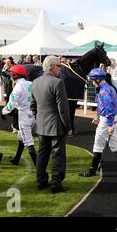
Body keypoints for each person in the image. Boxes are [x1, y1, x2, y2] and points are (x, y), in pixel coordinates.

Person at [79, 68, 117, 178]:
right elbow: (105, 106)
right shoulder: (108, 88)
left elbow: (109, 108)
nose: (92, 82)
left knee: (98, 146)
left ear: (98, 80)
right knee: (114, 146)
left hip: (107, 121)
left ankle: (92, 171)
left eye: (92, 80)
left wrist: (109, 124)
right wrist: (99, 118)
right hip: (108, 119)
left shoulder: (104, 91)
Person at [31, 56, 72, 194]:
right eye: (58, 66)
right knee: (57, 155)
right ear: (52, 67)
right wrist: (68, 126)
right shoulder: (57, 82)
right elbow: (63, 108)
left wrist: (39, 118)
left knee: (42, 154)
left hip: (41, 124)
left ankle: (41, 181)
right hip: (55, 125)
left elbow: (33, 105)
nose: (60, 68)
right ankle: (56, 183)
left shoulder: (35, 82)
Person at [1, 65, 37, 166]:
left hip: (24, 117)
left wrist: (4, 111)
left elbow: (11, 103)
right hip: (33, 115)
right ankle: (16, 159)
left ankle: (40, 169)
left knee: (29, 143)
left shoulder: (18, 86)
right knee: (21, 138)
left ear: (14, 75)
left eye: (11, 74)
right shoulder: (31, 83)